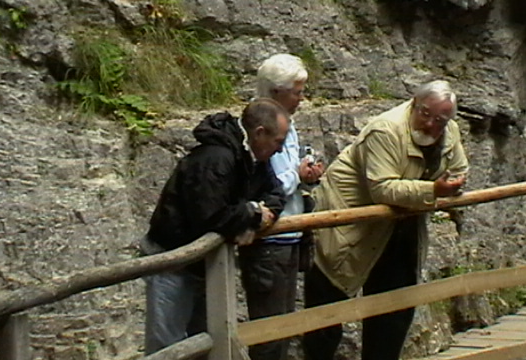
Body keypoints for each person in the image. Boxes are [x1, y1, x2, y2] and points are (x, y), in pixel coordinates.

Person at [302, 80, 469, 360]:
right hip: (347, 227)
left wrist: (452, 185)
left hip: (399, 228)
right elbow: (382, 188)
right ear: (414, 104)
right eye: (425, 114)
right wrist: (432, 190)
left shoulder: (449, 132)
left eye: (439, 119)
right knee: (326, 314)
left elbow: (460, 169)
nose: (429, 124)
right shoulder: (385, 129)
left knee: (393, 312)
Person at [141, 98, 291, 355]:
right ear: (259, 133)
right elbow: (210, 215)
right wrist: (253, 214)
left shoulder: (251, 157)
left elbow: (275, 192)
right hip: (174, 260)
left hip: (205, 264)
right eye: (277, 142)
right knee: (167, 344)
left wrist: (259, 217)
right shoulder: (217, 157)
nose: (279, 151)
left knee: (209, 339)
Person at [238, 53, 324, 360]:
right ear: (276, 91)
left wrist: (308, 175)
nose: (302, 98)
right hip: (268, 240)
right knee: (269, 331)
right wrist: (297, 174)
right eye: (297, 92)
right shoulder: (258, 125)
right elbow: (267, 184)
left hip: (290, 234)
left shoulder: (288, 123)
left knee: (286, 324)